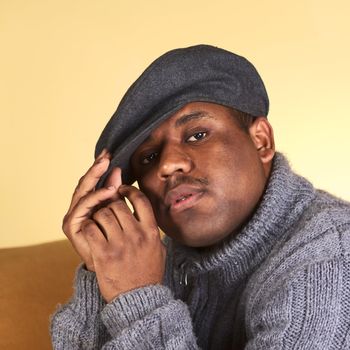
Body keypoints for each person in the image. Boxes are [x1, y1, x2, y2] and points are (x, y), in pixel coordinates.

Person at [50, 45, 350, 349]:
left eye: (197, 135)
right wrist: (103, 272)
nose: (167, 164)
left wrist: (139, 301)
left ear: (261, 141)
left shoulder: (329, 261)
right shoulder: (155, 260)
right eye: (149, 157)